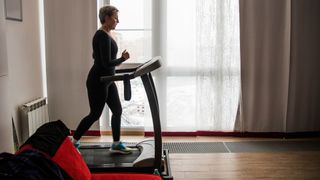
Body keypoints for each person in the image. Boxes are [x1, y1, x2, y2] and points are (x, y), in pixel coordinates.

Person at [71, 5, 132, 154]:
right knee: (95, 114)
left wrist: (118, 62)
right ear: (106, 18)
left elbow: (102, 60)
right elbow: (106, 63)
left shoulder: (106, 34)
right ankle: (74, 142)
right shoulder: (101, 36)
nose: (118, 20)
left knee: (117, 110)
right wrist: (122, 59)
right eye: (115, 17)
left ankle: (116, 143)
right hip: (98, 81)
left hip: (108, 80)